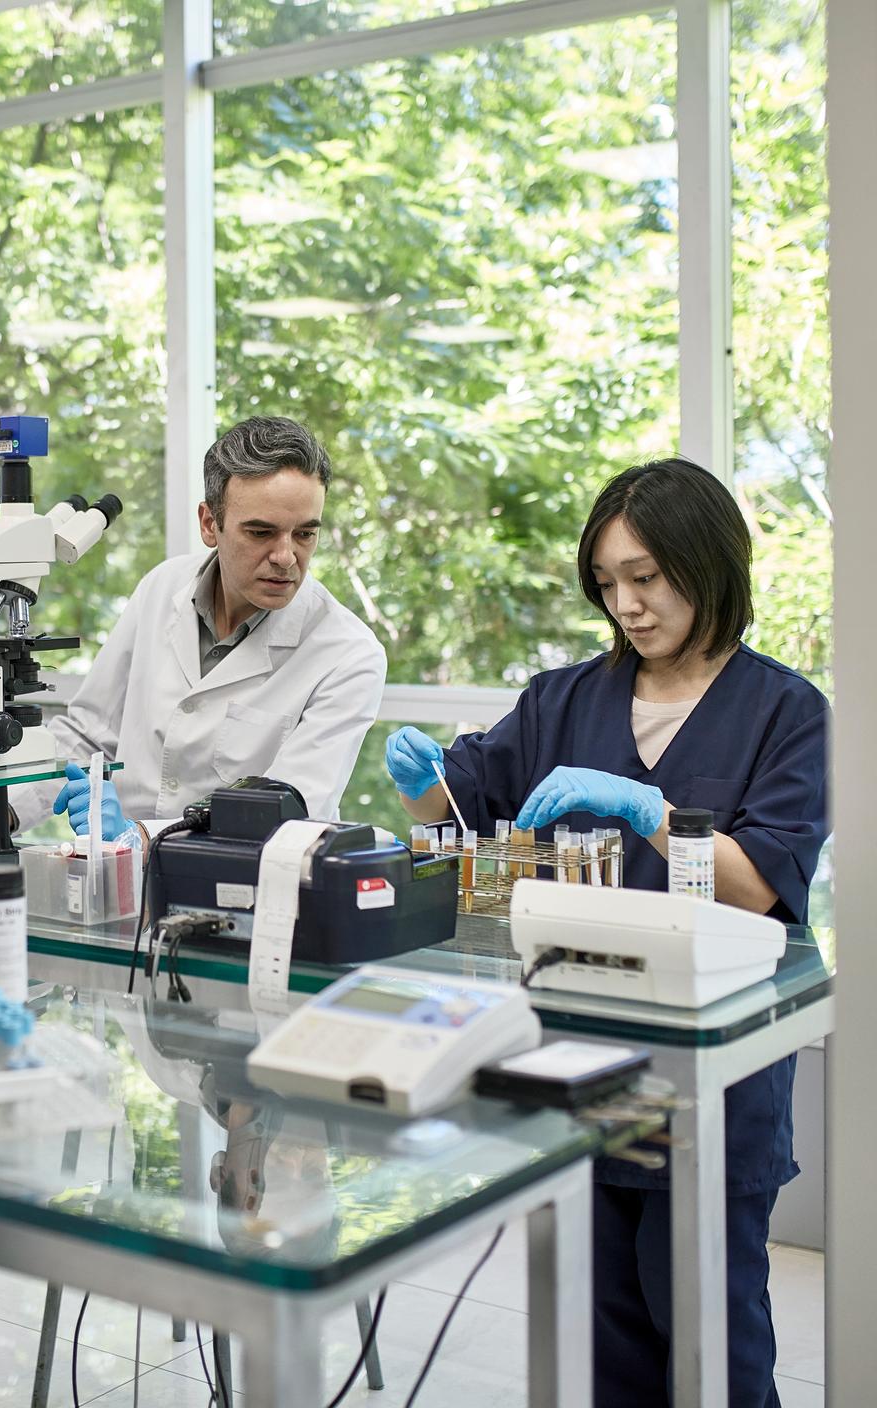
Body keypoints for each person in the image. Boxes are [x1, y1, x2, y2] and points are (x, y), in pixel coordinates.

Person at [384, 456, 828, 1407]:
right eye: (607, 583)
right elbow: (456, 812)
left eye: (646, 577)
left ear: (710, 564)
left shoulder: (788, 713)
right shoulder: (563, 700)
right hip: (574, 1059)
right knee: (604, 1335)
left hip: (712, 1077)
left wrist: (645, 807)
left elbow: (758, 889)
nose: (625, 604)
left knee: (709, 1330)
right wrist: (418, 776)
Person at [0, 416, 387, 845]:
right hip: (120, 884)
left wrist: (142, 835)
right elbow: (88, 736)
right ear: (210, 524)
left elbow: (289, 811)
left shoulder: (347, 654)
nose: (286, 557)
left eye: (305, 534)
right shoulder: (162, 587)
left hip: (249, 895)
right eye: (261, 533)